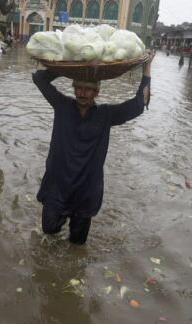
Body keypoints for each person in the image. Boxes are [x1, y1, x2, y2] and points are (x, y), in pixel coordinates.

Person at [32, 51, 155, 244]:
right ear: (73, 90)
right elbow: (39, 78)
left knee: (77, 244)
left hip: (86, 189)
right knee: (48, 232)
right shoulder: (62, 105)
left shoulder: (106, 115)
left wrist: (146, 69)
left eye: (88, 89)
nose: (82, 93)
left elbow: (140, 104)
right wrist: (75, 67)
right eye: (78, 88)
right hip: (58, 184)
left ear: (96, 93)